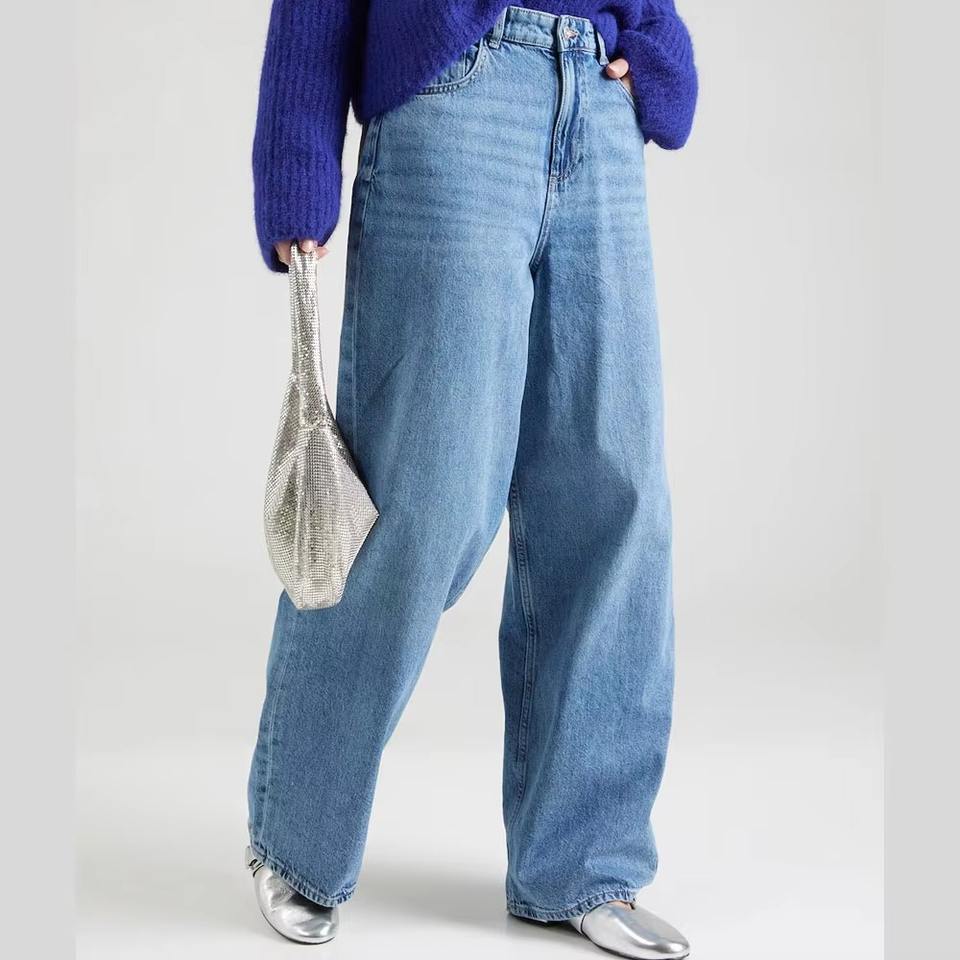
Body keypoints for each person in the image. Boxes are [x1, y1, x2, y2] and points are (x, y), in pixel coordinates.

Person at [245, 3, 697, 957]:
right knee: (421, 502)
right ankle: (298, 839)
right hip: (456, 89)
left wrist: (653, 39)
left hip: (598, 101)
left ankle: (584, 864)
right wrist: (295, 156)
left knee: (613, 503)